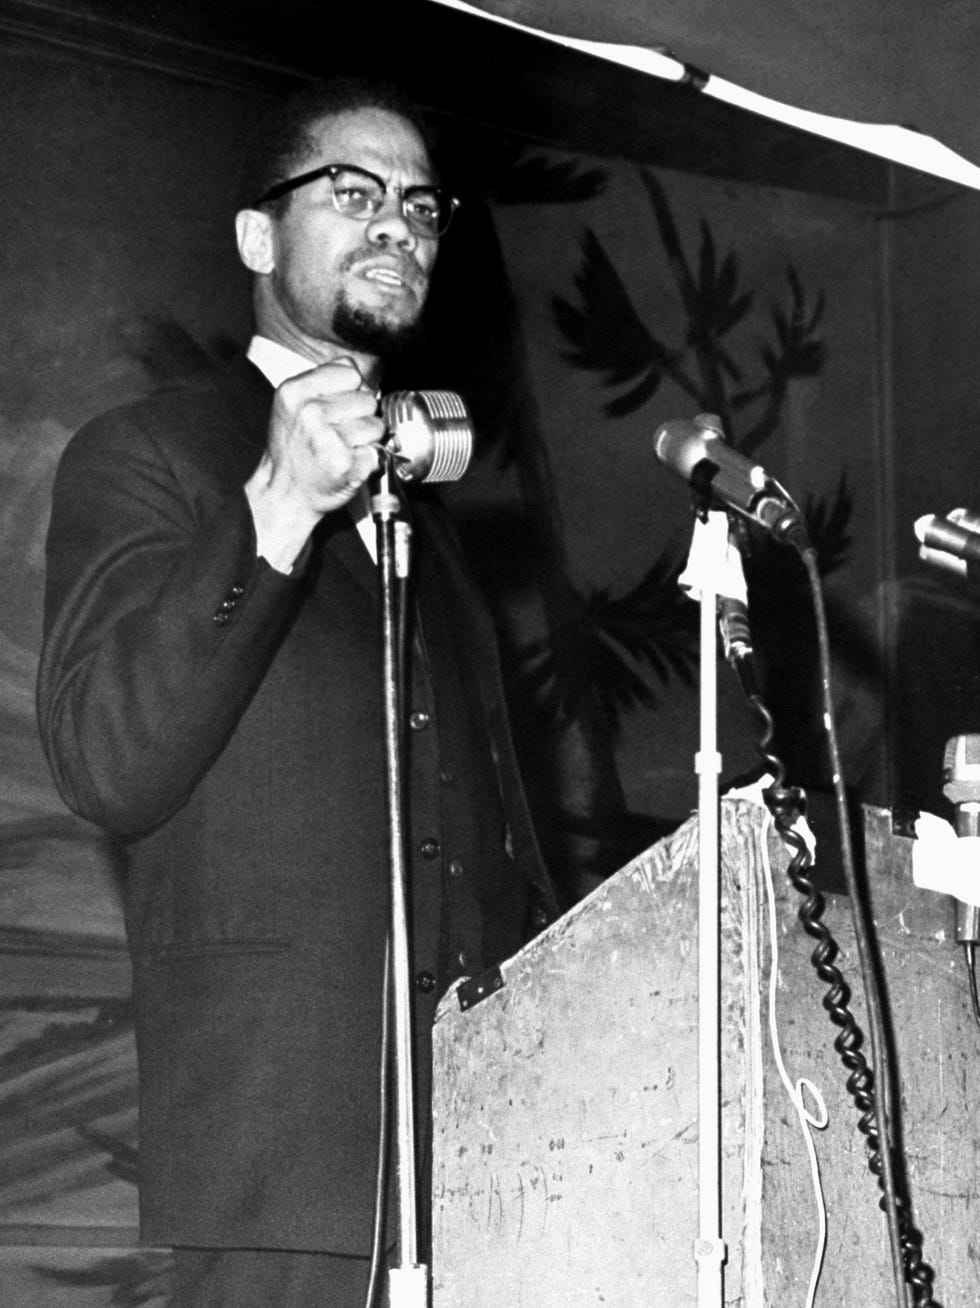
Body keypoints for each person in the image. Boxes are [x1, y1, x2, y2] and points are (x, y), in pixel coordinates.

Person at [36, 76, 558, 1307]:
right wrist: (273, 513)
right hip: (276, 1157)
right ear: (257, 236)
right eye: (353, 193)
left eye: (423, 209)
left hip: (485, 1154)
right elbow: (106, 760)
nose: (398, 226)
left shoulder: (435, 527)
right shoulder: (147, 457)